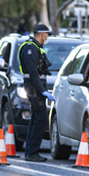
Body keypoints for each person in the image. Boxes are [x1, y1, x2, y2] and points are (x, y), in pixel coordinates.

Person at [19, 24, 54, 162]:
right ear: (41, 34)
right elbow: (33, 73)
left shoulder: (37, 48)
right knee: (40, 119)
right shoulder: (30, 48)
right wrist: (43, 91)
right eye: (47, 34)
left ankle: (30, 151)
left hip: (36, 88)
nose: (47, 37)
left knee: (36, 119)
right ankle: (32, 152)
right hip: (34, 88)